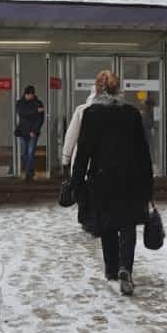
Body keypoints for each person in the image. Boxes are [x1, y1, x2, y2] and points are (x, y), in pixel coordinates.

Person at [72, 71, 153, 296]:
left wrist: (76, 181)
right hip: (131, 178)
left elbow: (84, 152)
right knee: (128, 225)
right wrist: (148, 184)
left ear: (97, 89)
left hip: (102, 178)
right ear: (119, 90)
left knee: (107, 225)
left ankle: (111, 269)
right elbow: (143, 151)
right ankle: (126, 267)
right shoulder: (131, 114)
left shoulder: (91, 114)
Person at [62, 84, 98, 236]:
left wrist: (66, 157)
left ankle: (86, 220)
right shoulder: (117, 111)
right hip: (103, 161)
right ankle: (95, 219)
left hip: (82, 159)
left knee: (83, 189)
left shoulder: (81, 110)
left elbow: (71, 135)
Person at [16, 85, 45, 182]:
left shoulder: (38, 103)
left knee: (30, 153)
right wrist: (36, 111)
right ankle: (31, 171)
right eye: (28, 95)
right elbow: (22, 113)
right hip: (23, 132)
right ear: (25, 94)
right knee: (24, 153)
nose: (30, 96)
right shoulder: (20, 103)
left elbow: (40, 119)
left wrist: (34, 131)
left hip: (33, 133)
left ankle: (28, 175)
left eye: (31, 95)